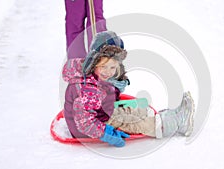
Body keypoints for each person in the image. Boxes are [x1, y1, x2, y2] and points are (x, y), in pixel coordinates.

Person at [62, 31, 195, 147]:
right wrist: (106, 133)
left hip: (101, 111)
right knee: (134, 124)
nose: (108, 72)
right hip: (89, 127)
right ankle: (176, 123)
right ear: (94, 61)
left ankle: (151, 113)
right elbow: (85, 122)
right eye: (104, 66)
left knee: (132, 108)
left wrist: (115, 84)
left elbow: (103, 97)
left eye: (112, 67)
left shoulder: (92, 72)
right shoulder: (88, 90)